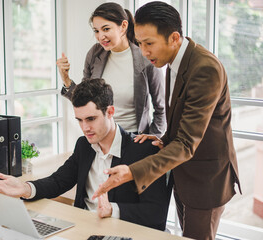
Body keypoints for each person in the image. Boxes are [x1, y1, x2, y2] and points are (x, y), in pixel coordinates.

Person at [92, 2, 241, 240]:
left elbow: (186, 143)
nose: (143, 52)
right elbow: (182, 122)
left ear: (173, 38)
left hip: (205, 180)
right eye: (139, 43)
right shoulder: (174, 60)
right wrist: (162, 139)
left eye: (149, 43)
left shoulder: (205, 68)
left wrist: (131, 172)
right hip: (183, 174)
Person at [0, 78, 171, 230]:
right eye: (79, 120)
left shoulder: (144, 150)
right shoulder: (84, 145)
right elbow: (59, 181)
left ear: (110, 112)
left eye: (91, 119)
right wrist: (25, 188)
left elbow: (156, 213)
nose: (85, 128)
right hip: (82, 229)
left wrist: (112, 209)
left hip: (121, 232)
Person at [57, 2, 166, 136]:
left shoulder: (145, 59)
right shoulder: (94, 54)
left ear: (123, 26)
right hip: (101, 136)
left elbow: (161, 108)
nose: (100, 36)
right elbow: (84, 99)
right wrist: (66, 79)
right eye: (96, 31)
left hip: (133, 139)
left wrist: (153, 140)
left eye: (106, 29)